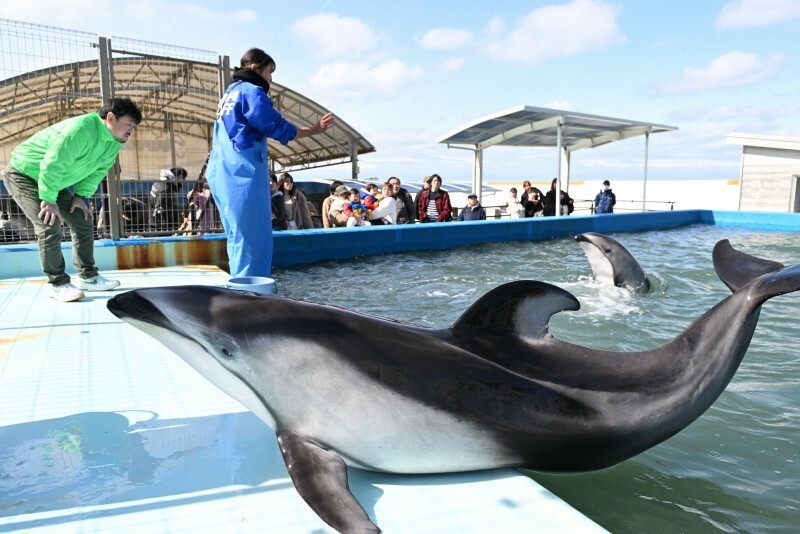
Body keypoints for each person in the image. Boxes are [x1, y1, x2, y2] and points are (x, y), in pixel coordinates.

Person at [206, 47, 334, 278]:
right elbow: (277, 127)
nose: (270, 79)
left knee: (237, 236)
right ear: (256, 68)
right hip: (241, 174)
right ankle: (251, 293)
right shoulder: (251, 91)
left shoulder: (229, 92)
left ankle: (239, 285)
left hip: (221, 170)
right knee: (253, 237)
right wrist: (314, 130)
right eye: (269, 72)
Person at [1, 97, 142, 302]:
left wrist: (80, 197)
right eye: (129, 124)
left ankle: (88, 276)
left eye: (134, 127)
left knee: (82, 218)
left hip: (51, 181)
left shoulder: (114, 142)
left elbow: (97, 171)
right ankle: (57, 283)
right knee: (48, 223)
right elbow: (53, 164)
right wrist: (49, 201)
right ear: (110, 118)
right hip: (24, 174)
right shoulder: (79, 129)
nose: (131, 130)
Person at [150, 166, 187, 231]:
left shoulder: (160, 182)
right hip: (163, 227)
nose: (183, 181)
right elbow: (160, 209)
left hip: (157, 224)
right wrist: (166, 226)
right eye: (183, 178)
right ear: (179, 176)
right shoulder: (166, 186)